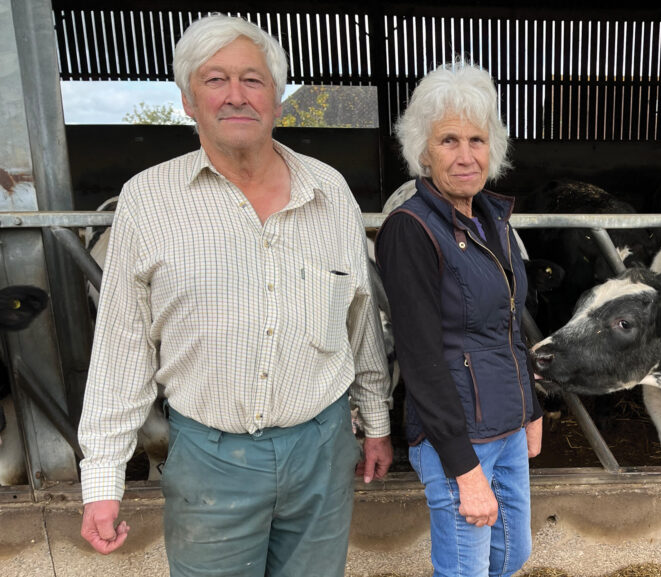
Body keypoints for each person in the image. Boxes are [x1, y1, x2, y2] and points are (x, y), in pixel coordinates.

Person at [77, 14, 393, 576]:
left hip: (322, 447)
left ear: (276, 98)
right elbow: (122, 345)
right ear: (187, 101)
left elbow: (360, 318)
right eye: (215, 80)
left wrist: (376, 421)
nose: (236, 95)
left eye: (254, 79)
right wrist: (103, 477)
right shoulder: (148, 200)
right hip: (211, 459)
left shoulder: (330, 192)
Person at [375, 60, 543, 577]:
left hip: (508, 426)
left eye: (477, 139)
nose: (466, 155)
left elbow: (511, 324)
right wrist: (463, 468)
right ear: (422, 152)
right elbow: (421, 359)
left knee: (513, 554)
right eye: (449, 141)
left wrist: (531, 408)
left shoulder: (492, 218)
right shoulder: (412, 230)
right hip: (458, 437)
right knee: (466, 570)